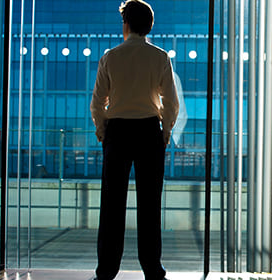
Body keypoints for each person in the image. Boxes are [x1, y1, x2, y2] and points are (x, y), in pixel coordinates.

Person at [90, 0, 179, 279]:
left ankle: (106, 269)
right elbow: (171, 103)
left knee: (112, 204)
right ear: (149, 26)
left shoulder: (110, 57)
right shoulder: (160, 57)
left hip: (117, 131)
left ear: (125, 24)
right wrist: (164, 132)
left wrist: (104, 130)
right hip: (148, 131)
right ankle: (152, 268)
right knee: (150, 204)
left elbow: (97, 102)